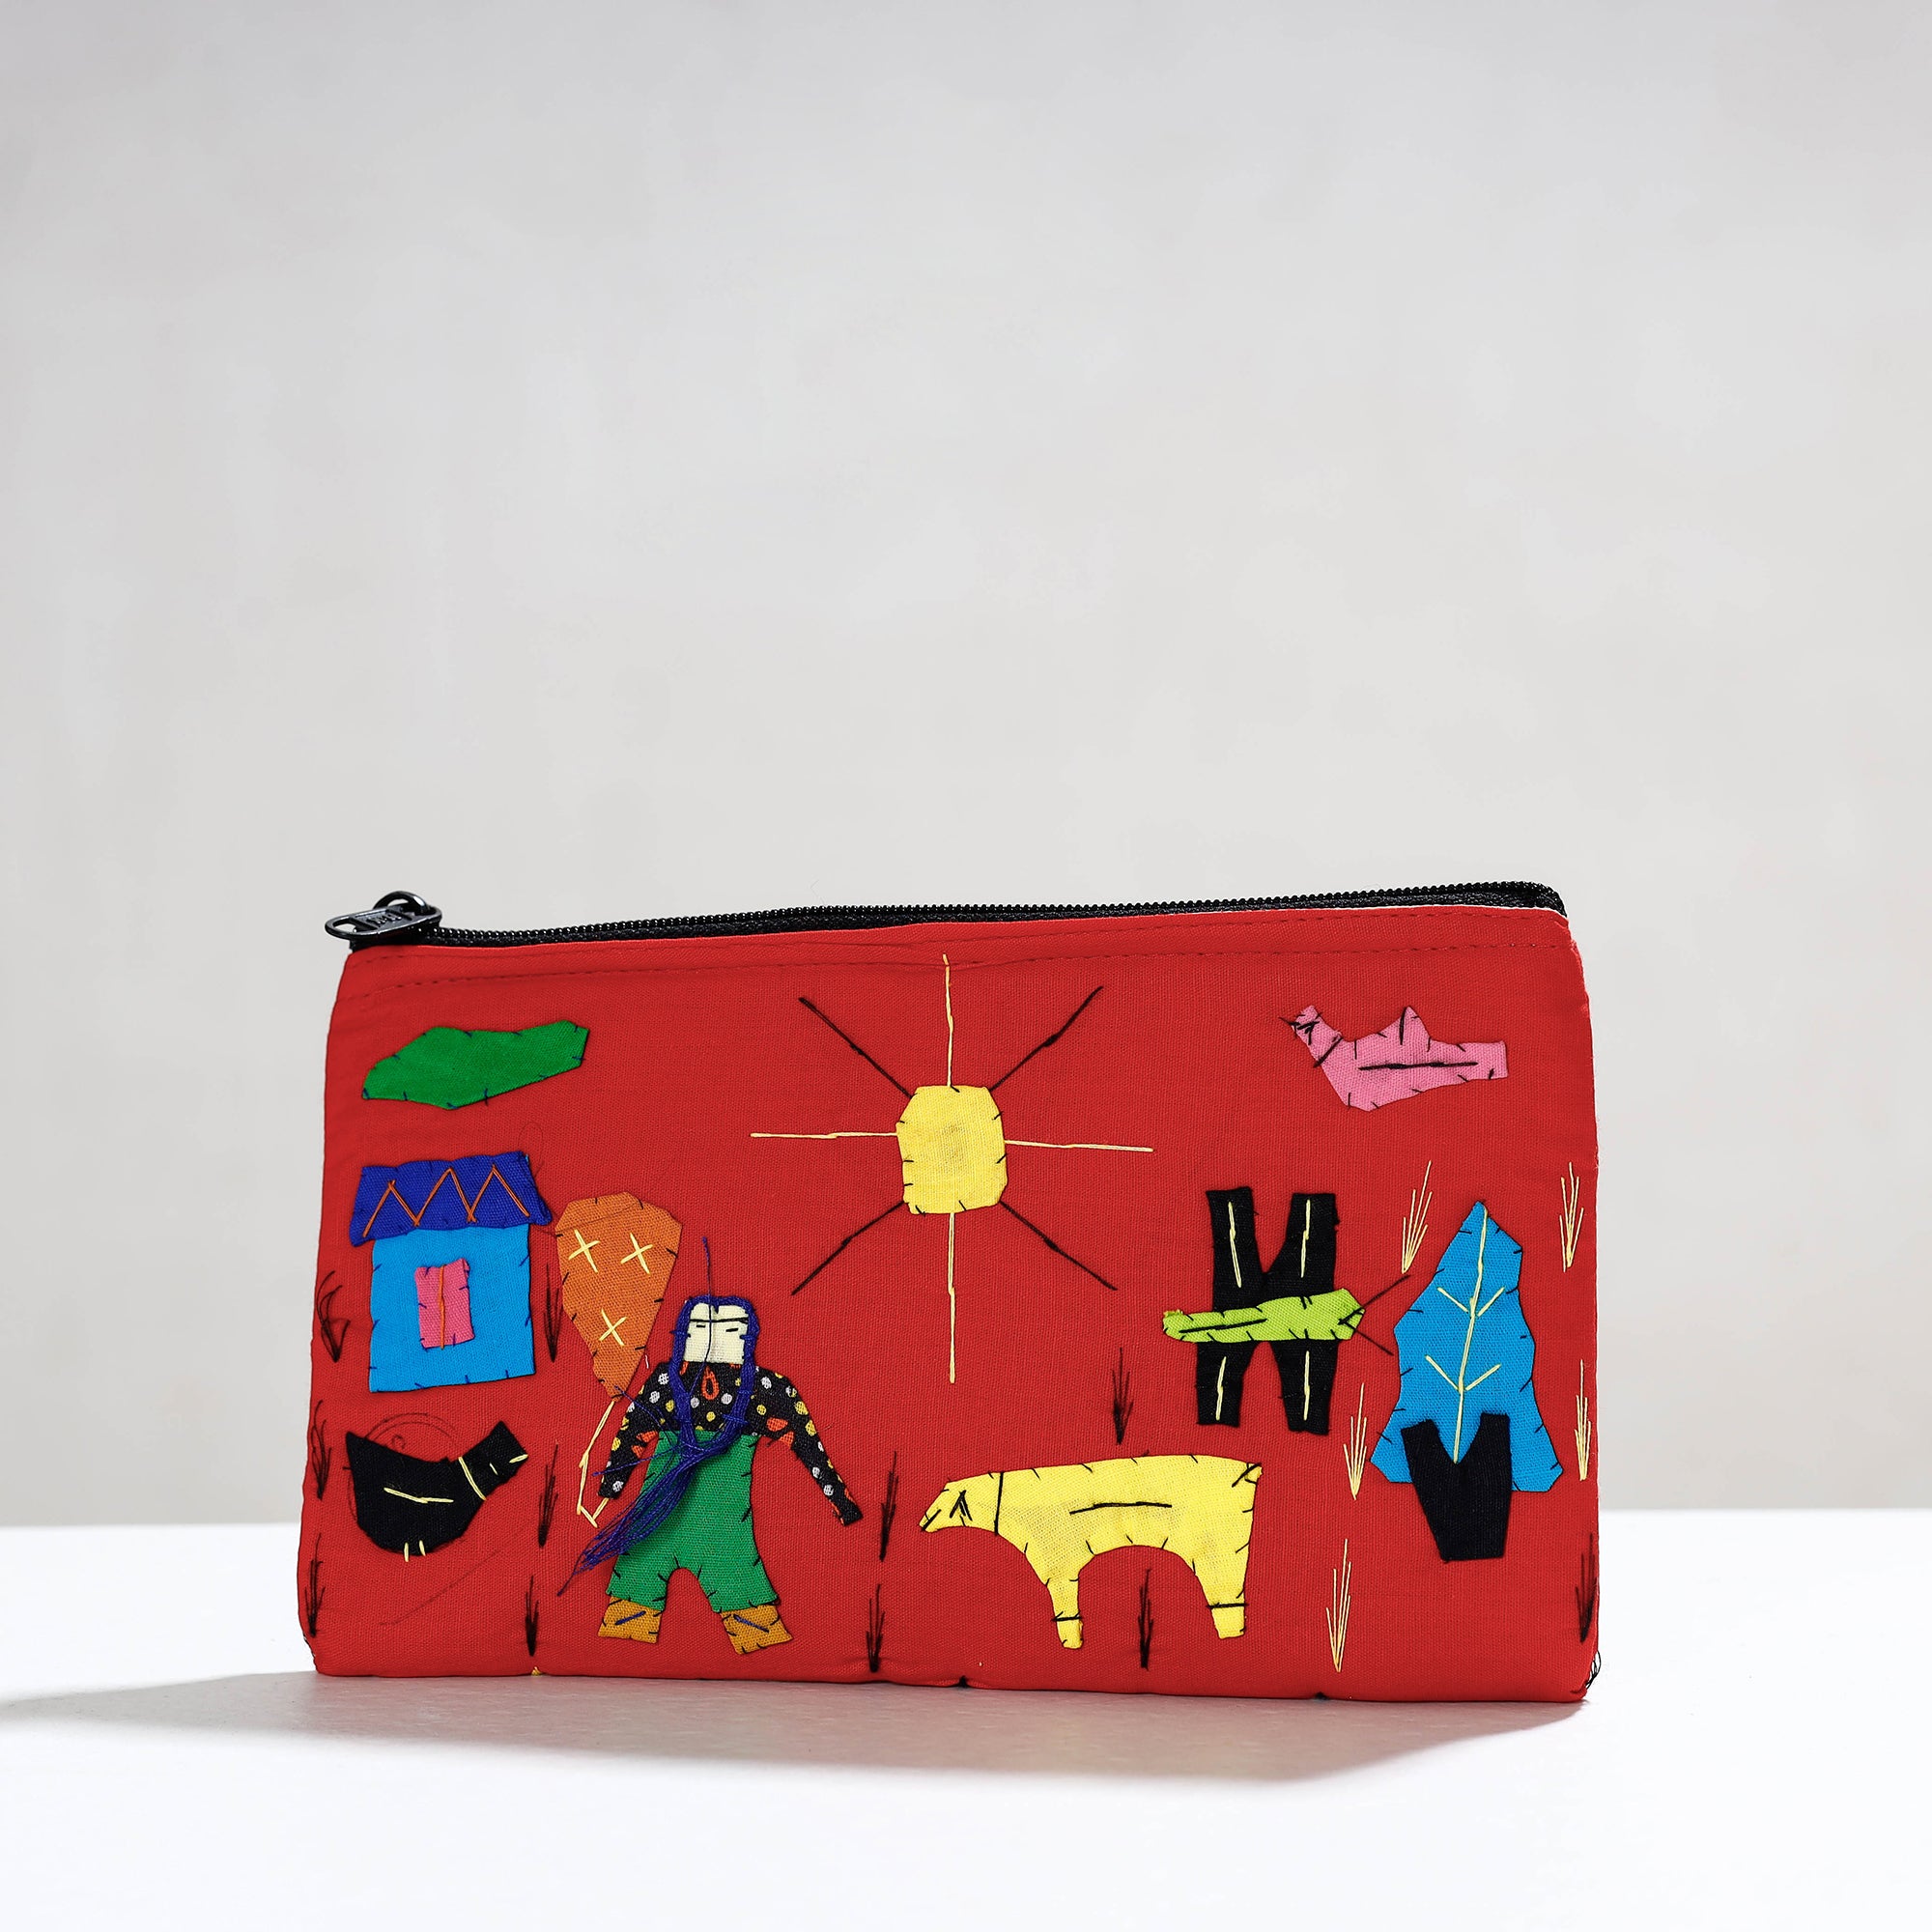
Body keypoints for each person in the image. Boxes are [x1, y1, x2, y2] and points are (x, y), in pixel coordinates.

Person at [584, 1295, 862, 1654]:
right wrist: (613, 1480)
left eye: (730, 1329)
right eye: (702, 1327)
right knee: (642, 1587)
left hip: (718, 1526)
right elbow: (634, 1428)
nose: (714, 1337)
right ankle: (626, 1648)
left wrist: (841, 1501)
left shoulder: (763, 1388)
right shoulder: (669, 1381)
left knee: (732, 1592)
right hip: (663, 1517)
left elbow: (807, 1444)